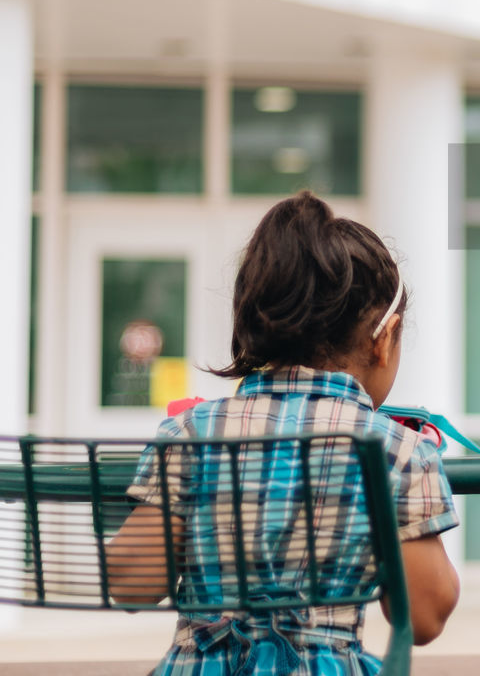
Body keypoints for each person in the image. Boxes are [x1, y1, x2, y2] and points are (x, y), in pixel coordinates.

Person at [106, 191, 460, 675]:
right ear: (384, 339)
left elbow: (131, 583)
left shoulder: (189, 434)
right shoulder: (396, 450)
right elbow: (424, 616)